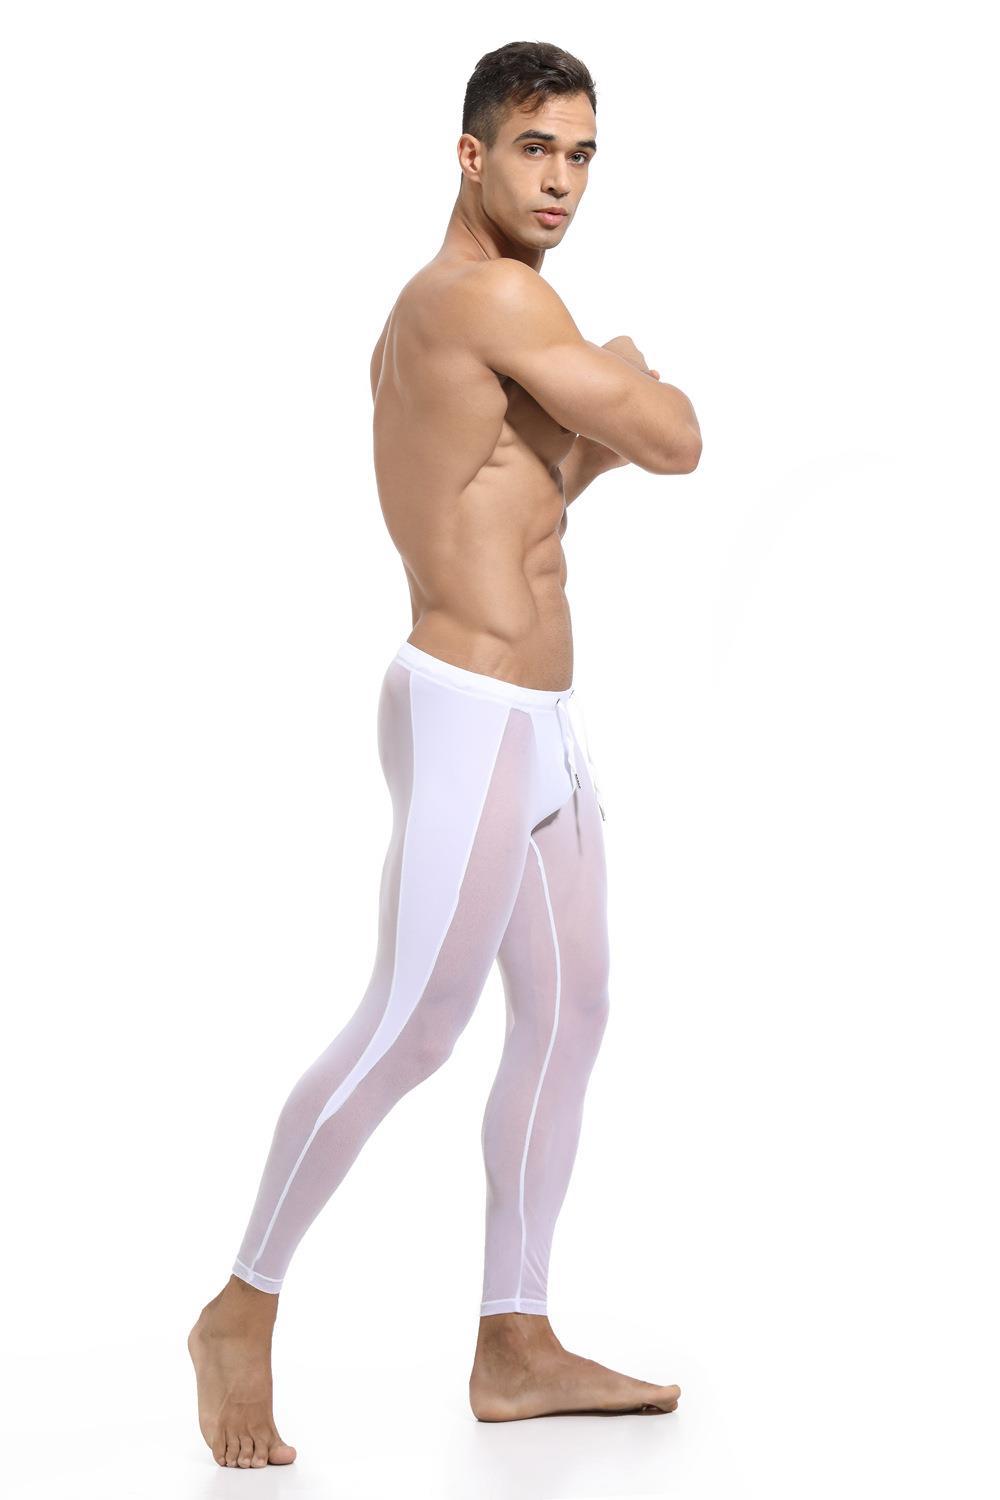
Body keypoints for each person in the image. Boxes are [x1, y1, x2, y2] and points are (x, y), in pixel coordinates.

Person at [189, 39, 701, 1468]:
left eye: (583, 154)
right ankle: (240, 1306)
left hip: (538, 721)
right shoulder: (484, 296)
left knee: (572, 1011)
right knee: (416, 1022)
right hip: (472, 706)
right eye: (537, 148)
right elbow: (676, 436)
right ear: (471, 156)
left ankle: (516, 1342)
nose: (563, 181)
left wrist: (594, 416)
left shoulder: (477, 314)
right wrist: (620, 385)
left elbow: (544, 489)